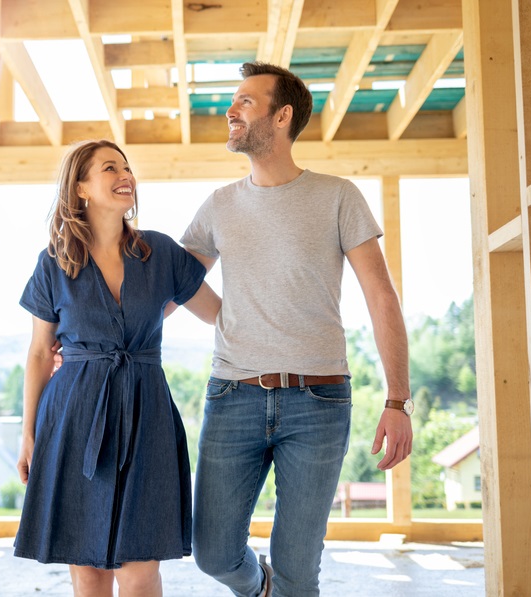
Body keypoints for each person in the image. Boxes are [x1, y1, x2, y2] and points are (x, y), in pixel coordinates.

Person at [180, 62, 413, 597]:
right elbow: (172, 287)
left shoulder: (337, 196)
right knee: (212, 552)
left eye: (245, 101)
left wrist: (398, 401)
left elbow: (381, 296)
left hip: (320, 401)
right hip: (233, 395)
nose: (230, 110)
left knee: (298, 570)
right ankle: (256, 584)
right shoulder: (220, 205)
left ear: (282, 116)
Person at [14, 139, 222, 597]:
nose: (125, 174)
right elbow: (38, 354)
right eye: (110, 168)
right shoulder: (53, 263)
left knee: (140, 566)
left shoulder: (161, 252)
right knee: (87, 569)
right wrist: (29, 434)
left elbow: (219, 314)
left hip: (148, 415)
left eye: (127, 167)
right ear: (82, 187)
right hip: (72, 416)